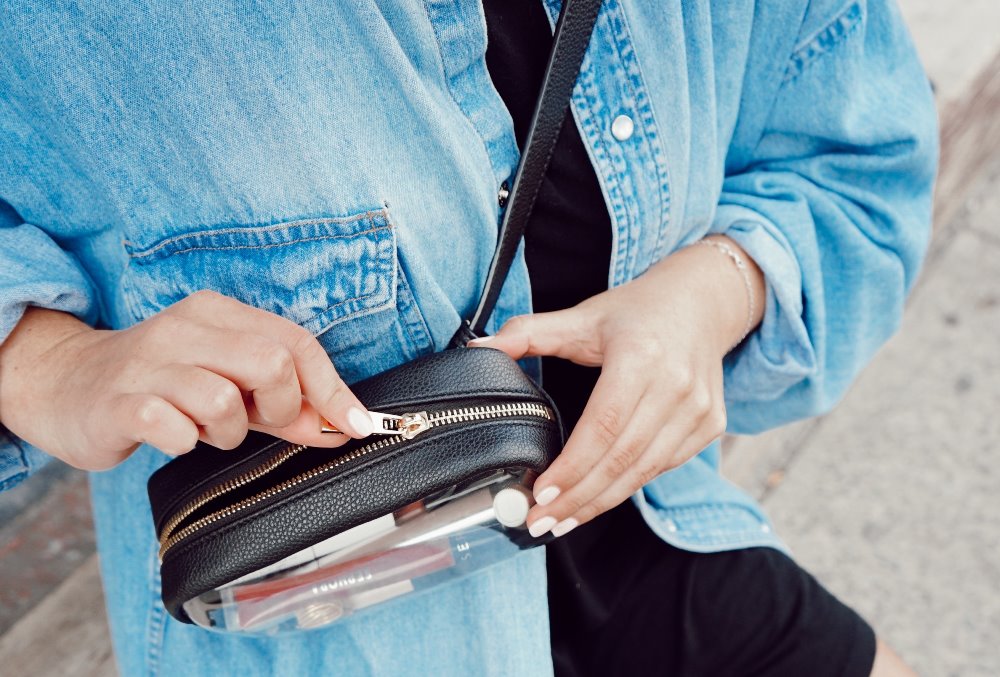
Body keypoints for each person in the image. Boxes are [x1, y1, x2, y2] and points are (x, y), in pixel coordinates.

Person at [0, 1, 935, 675]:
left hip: (657, 537)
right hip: (333, 635)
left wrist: (718, 287)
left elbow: (860, 160)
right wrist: (48, 366)